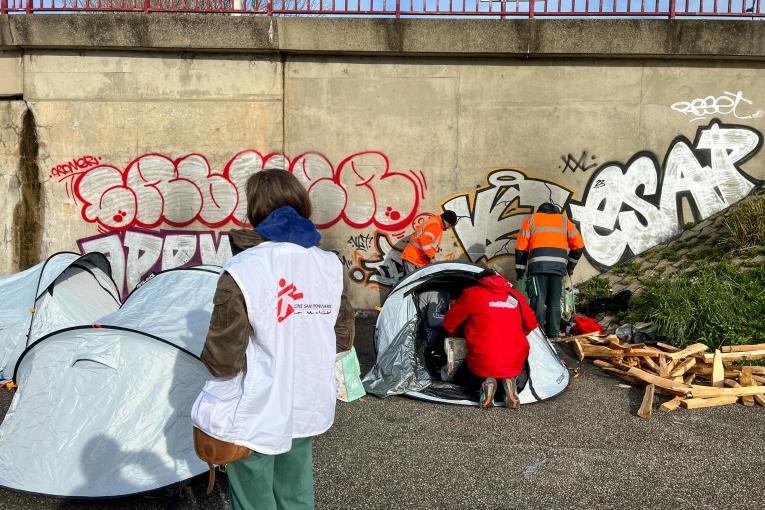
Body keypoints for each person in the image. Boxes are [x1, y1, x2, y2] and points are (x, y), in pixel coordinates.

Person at [192, 169, 353, 510]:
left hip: (257, 404)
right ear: (301, 203)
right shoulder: (328, 264)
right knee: (294, 493)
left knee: (253, 494)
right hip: (308, 399)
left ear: (255, 210)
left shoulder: (242, 268)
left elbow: (223, 360)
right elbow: (342, 339)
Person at [442, 269, 538, 409]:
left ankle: (487, 382)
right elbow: (531, 324)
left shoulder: (472, 293)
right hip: (514, 359)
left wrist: (463, 334)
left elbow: (449, 324)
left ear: (480, 281)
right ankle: (509, 381)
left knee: (461, 374)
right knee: (511, 369)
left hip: (482, 359)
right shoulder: (516, 295)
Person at [514, 202, 584, 339]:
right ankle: (553, 333)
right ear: (555, 212)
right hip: (558, 268)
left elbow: (521, 249)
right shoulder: (564, 221)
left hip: (538, 267)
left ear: (540, 211)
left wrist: (520, 270)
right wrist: (570, 267)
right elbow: (579, 246)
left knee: (538, 301)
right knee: (554, 301)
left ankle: (538, 335)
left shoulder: (531, 220)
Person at [399, 211, 458, 278]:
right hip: (413, 258)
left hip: (415, 258)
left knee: (410, 284)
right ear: (446, 221)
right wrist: (431, 257)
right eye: (450, 225)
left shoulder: (435, 222)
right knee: (409, 285)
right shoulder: (436, 225)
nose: (449, 228)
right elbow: (425, 240)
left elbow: (429, 242)